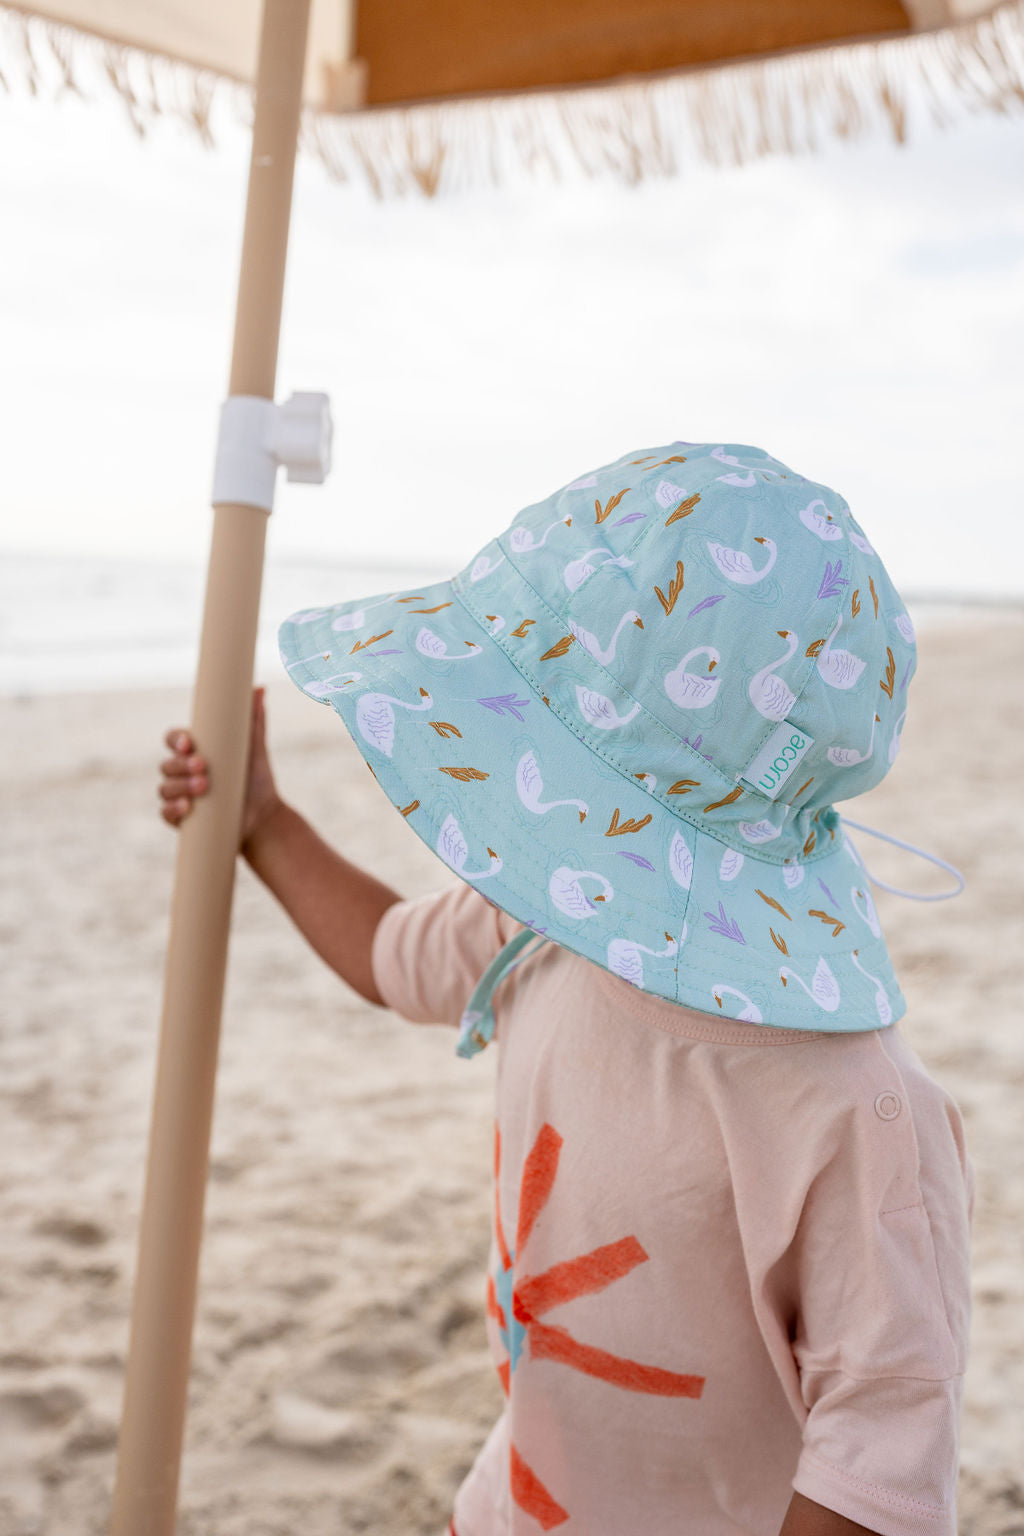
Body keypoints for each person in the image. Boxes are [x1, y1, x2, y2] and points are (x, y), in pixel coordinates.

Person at [160, 441, 974, 1536]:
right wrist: (263, 824)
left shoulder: (857, 1110)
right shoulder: (559, 912)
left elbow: (876, 1462)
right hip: (514, 1505)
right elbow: (392, 953)